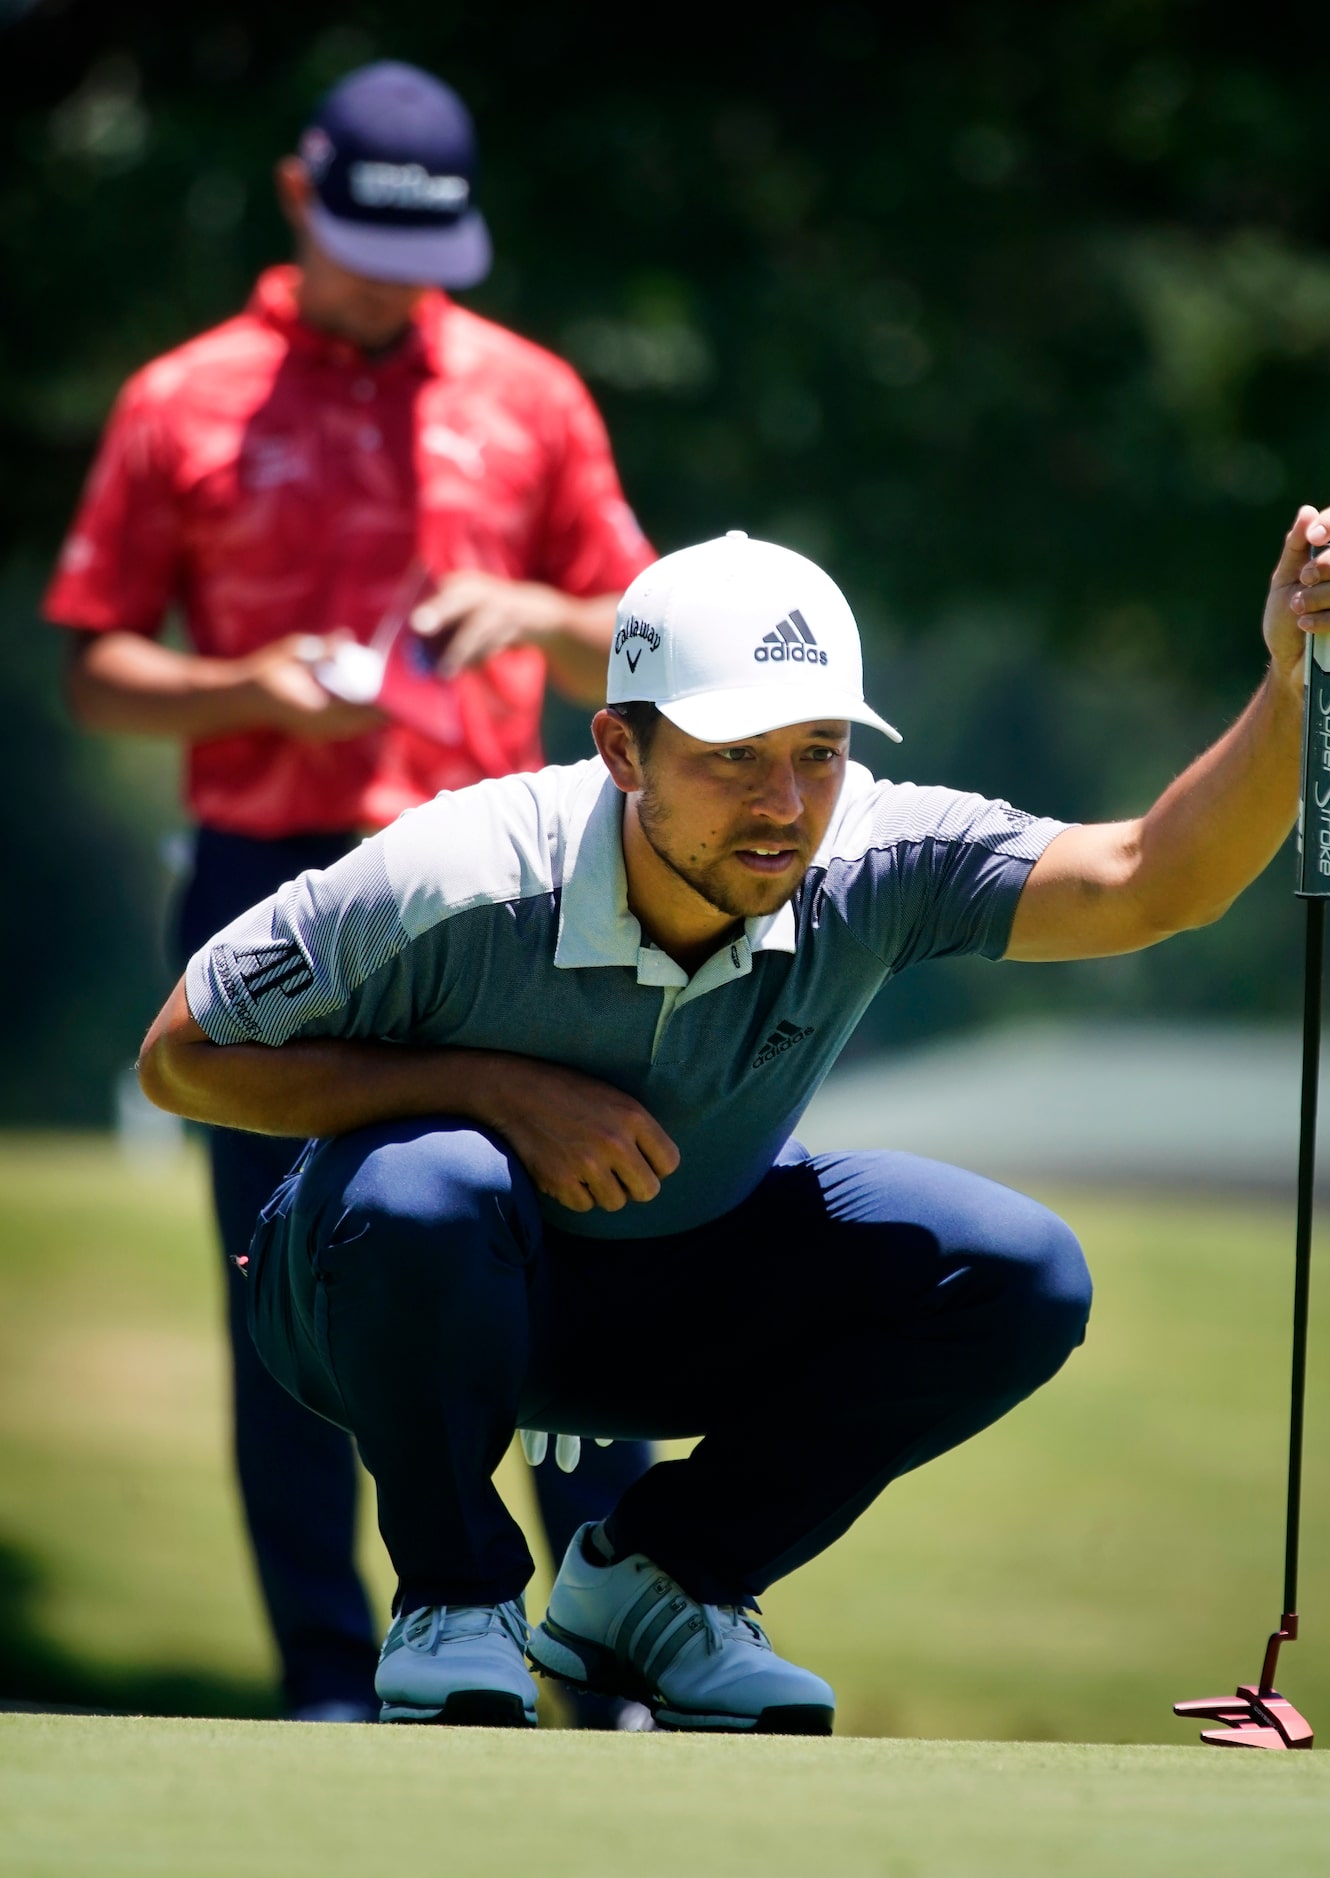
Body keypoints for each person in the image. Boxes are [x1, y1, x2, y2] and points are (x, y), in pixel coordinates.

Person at [136, 511, 1330, 1732]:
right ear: (622, 751)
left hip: (662, 1290)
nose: (785, 804)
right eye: (733, 755)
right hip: (373, 1295)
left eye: (819, 751)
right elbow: (184, 1055)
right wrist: (486, 1088)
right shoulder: (455, 870)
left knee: (1017, 1272)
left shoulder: (875, 855)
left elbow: (1147, 883)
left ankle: (662, 1581)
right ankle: (454, 1602)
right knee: (433, 1185)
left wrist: (1292, 691)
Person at [45, 60, 657, 1724]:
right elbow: (95, 663)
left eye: (432, 251)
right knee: (291, 1281)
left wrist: (533, 607)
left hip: (505, 882)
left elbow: (654, 641)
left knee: (570, 1243)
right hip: (270, 880)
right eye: (371, 242)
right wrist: (246, 685)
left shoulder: (533, 398)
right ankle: (331, 1670)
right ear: (299, 201)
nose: (402, 283)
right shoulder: (182, 398)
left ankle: (615, 1659)